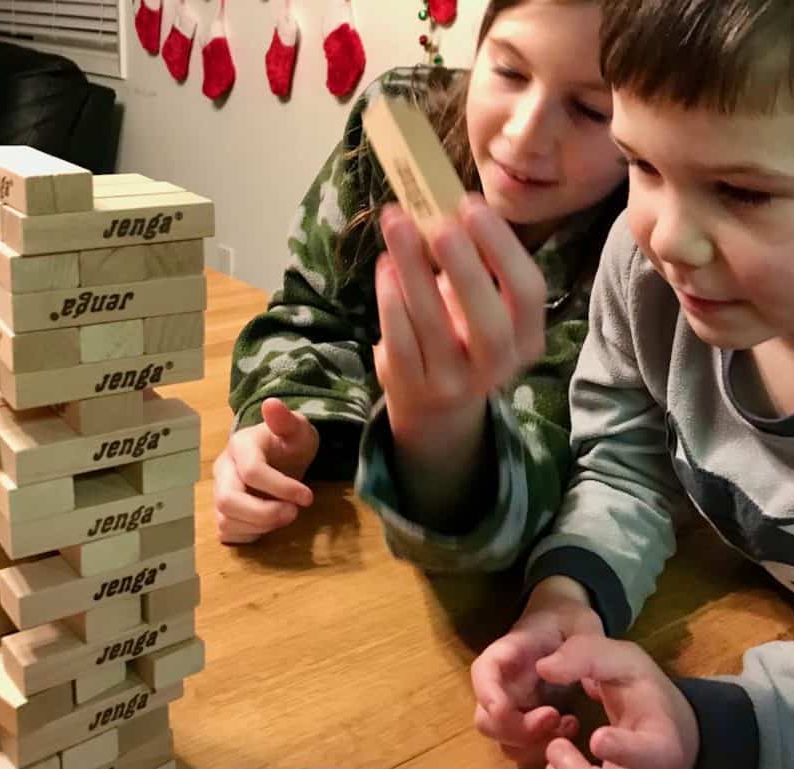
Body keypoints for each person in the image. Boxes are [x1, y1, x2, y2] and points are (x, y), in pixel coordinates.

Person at [471, 1, 794, 768]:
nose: (666, 235)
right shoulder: (646, 277)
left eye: (742, 192)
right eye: (642, 164)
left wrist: (716, 725)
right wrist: (568, 599)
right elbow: (623, 465)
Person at [214, 0, 627, 566]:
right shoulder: (402, 125)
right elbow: (309, 314)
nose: (525, 134)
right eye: (508, 72)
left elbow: (573, 487)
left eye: (589, 109)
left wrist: (443, 439)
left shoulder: (640, 248)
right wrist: (294, 423)